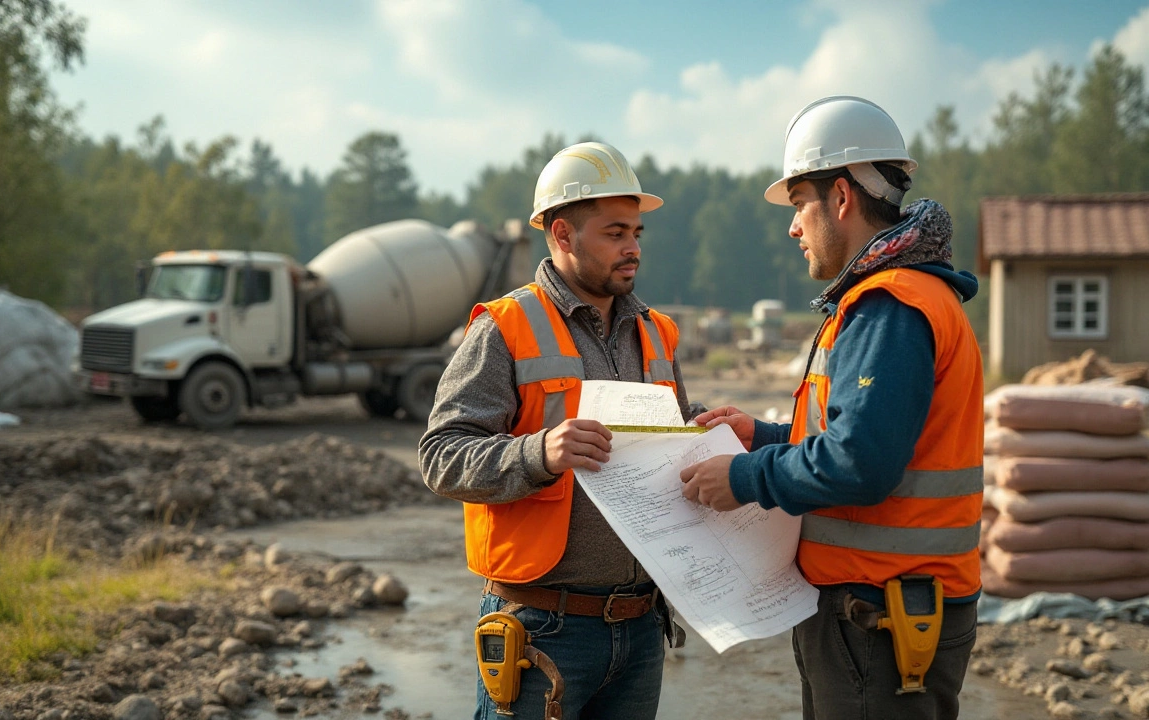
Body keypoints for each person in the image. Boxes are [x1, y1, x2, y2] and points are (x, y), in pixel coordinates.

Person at [679, 96, 984, 719]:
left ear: (841, 198)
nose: (793, 228)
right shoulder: (905, 294)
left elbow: (861, 460)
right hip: (886, 611)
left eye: (798, 206)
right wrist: (762, 436)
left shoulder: (889, 305)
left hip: (879, 617)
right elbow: (860, 433)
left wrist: (743, 478)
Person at [419, 141, 691, 720]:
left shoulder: (658, 333)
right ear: (563, 235)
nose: (632, 249)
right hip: (542, 628)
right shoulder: (506, 327)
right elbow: (441, 455)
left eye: (637, 233)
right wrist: (539, 452)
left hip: (641, 627)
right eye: (615, 233)